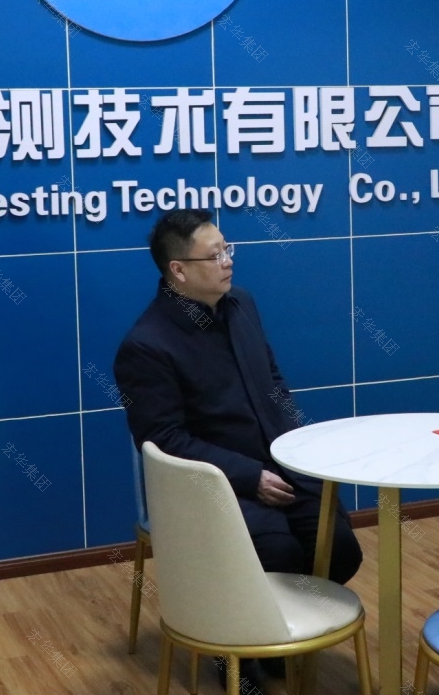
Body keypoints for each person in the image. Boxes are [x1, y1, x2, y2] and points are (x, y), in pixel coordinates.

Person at [115, 209, 362, 693]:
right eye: (215, 255)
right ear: (178, 270)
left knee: (340, 549)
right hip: (213, 487)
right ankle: (236, 649)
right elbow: (165, 440)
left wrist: (296, 447)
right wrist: (249, 477)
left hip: (281, 466)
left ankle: (272, 631)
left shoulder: (241, 304)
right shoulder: (146, 346)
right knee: (278, 550)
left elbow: (274, 383)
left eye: (228, 249)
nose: (228, 261)